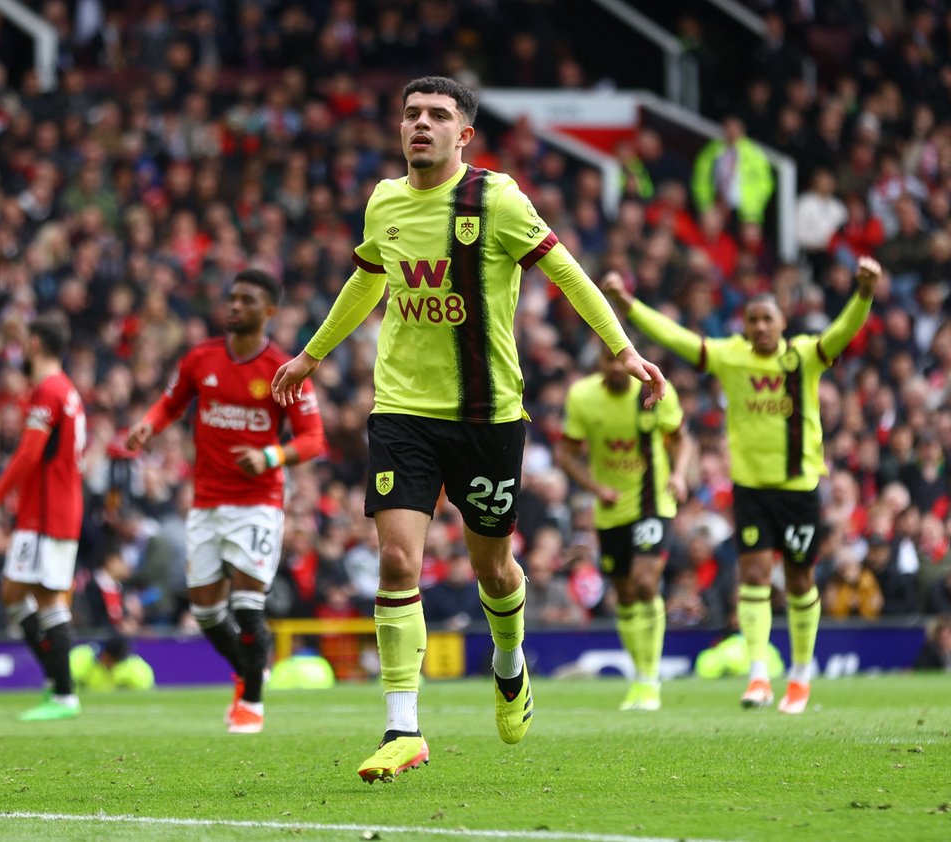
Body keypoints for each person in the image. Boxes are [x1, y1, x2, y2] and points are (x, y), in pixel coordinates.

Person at [271, 76, 666, 782]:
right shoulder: (385, 201)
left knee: (492, 567)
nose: (421, 124)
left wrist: (621, 347)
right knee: (397, 561)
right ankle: (403, 728)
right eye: (411, 114)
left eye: (437, 116)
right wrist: (311, 354)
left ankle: (509, 665)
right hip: (402, 410)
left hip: (487, 418)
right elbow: (368, 280)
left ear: (465, 135)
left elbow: (569, 274)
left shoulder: (498, 201)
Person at [602, 255, 882, 714]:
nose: (758, 326)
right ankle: (758, 675)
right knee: (751, 576)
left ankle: (801, 676)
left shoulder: (805, 357)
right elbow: (682, 340)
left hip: (798, 488)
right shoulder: (732, 356)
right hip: (751, 489)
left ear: (782, 323)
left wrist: (864, 294)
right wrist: (629, 307)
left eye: (766, 319)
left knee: (798, 579)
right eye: (751, 319)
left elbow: (842, 332)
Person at [126, 269, 324, 734]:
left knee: (248, 605)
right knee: (205, 612)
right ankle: (250, 664)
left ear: (269, 311)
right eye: (231, 298)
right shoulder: (201, 358)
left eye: (247, 300)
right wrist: (149, 425)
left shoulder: (283, 369)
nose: (234, 306)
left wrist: (271, 455)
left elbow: (314, 439)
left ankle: (251, 701)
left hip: (258, 501)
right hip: (207, 501)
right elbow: (171, 403)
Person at [556, 344, 693, 711]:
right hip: (611, 510)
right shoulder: (582, 397)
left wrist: (679, 475)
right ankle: (641, 675)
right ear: (598, 363)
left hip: (652, 503)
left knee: (646, 582)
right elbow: (566, 453)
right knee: (626, 595)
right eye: (607, 359)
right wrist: (596, 488)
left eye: (621, 359)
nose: (616, 367)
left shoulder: (655, 388)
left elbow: (680, 438)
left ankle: (650, 679)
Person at [0, 312, 86, 721]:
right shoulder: (67, 390)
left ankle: (64, 691)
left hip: (45, 512)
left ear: (35, 344)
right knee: (15, 595)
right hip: (55, 508)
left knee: (45, 597)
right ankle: (58, 682)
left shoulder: (48, 391)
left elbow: (29, 452)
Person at [69, 637, 156, 692]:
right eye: (111, 659)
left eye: (116, 661)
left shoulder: (136, 669)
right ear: (105, 653)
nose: (112, 664)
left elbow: (145, 691)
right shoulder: (81, 658)